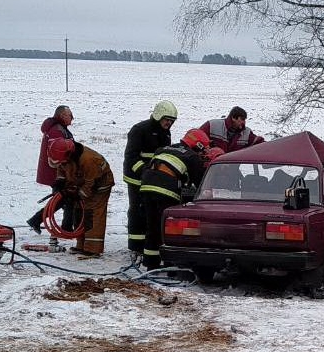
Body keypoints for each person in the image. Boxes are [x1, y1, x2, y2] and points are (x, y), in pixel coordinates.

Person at [139, 129, 209, 270]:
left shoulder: (163, 148)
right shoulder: (192, 156)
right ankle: (169, 264)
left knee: (152, 226)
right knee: (168, 229)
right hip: (166, 191)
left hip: (146, 187)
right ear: (199, 145)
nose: (203, 154)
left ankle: (150, 264)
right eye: (203, 149)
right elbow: (201, 183)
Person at [124, 100, 177, 256]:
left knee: (150, 212)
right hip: (136, 178)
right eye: (167, 120)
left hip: (153, 180)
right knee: (137, 210)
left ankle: (147, 243)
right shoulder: (140, 130)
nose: (169, 123)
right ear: (158, 115)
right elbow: (131, 156)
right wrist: (144, 171)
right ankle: (135, 245)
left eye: (171, 121)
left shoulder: (165, 132)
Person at [46, 138, 115, 256]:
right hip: (83, 183)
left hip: (99, 186)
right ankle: (81, 244)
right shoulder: (65, 157)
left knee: (92, 214)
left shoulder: (88, 160)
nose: (60, 164)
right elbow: (62, 170)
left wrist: (79, 195)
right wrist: (60, 183)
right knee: (79, 213)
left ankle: (93, 249)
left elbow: (91, 183)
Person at [27, 105, 75, 234]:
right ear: (62, 116)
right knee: (62, 200)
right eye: (70, 115)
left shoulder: (58, 129)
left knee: (63, 200)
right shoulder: (57, 130)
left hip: (57, 172)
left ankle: (66, 226)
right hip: (57, 174)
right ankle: (37, 220)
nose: (73, 118)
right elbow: (58, 154)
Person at [199, 106, 264, 153]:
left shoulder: (247, 133)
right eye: (242, 119)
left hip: (232, 168)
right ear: (233, 118)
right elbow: (196, 138)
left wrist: (271, 146)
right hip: (211, 167)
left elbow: (258, 143)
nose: (244, 122)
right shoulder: (212, 125)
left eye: (245, 120)